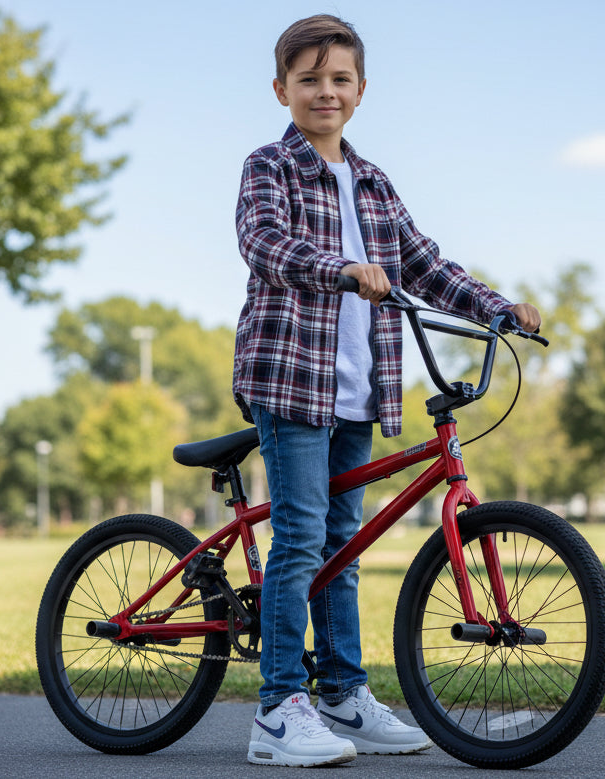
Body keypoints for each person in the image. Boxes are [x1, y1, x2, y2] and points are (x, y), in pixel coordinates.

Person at [232, 14, 541, 768]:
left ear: (361, 91)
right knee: (302, 537)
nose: (324, 92)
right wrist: (340, 267)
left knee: (343, 544)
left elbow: (426, 264)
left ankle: (339, 692)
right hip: (290, 379)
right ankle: (277, 710)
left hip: (357, 391)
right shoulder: (268, 167)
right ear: (282, 90)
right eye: (308, 80)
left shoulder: (372, 182)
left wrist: (497, 308)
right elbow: (262, 241)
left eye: (339, 79)